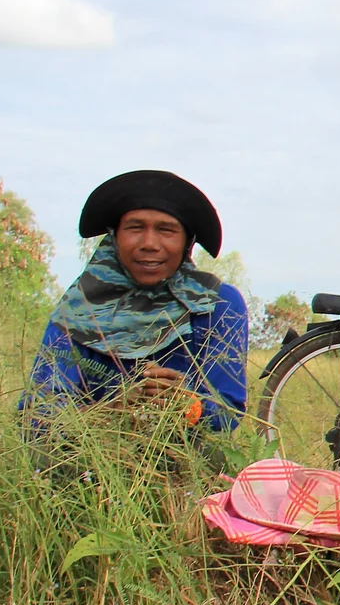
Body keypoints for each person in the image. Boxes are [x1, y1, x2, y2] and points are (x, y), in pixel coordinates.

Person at [27, 170, 247, 433]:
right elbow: (37, 415)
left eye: (166, 230)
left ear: (187, 242)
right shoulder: (80, 307)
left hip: (190, 462)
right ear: (114, 237)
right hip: (87, 463)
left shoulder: (217, 304)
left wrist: (186, 405)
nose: (149, 244)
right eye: (135, 228)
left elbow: (228, 412)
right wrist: (107, 413)